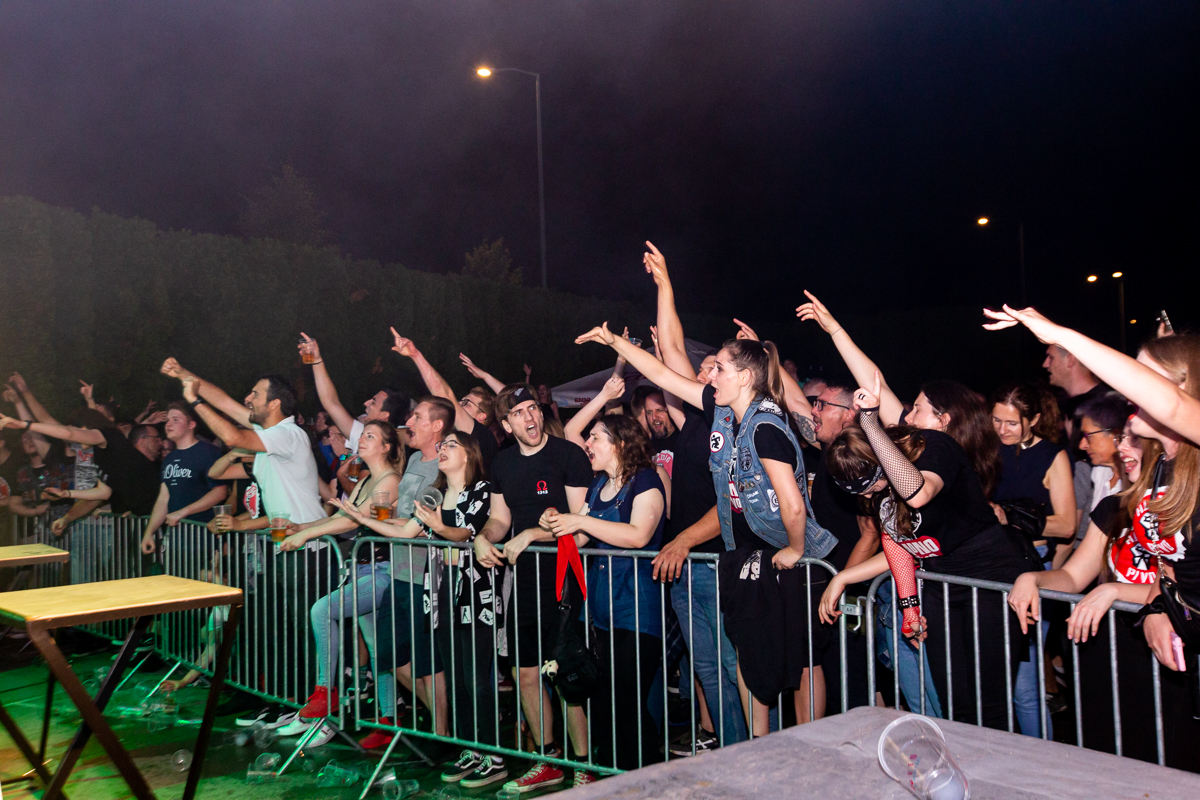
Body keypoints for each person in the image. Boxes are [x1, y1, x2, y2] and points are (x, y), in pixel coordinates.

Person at [575, 320, 836, 738]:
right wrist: (613, 341)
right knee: (750, 664)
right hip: (747, 557)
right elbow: (664, 375)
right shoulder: (725, 414)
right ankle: (756, 750)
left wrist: (794, 549)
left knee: (783, 665)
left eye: (720, 369)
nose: (711, 375)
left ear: (744, 378)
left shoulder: (765, 427)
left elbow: (792, 504)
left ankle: (787, 754)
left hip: (782, 561)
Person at [983, 307, 1200, 677]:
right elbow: (1170, 572)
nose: (1129, 388)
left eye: (1144, 377)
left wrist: (1062, 336)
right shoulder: (1158, 474)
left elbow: (1173, 405)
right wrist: (1156, 606)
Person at [818, 372, 1033, 731]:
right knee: (955, 703)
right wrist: (908, 607)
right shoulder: (880, 489)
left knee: (990, 706)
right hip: (942, 587)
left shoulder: (935, 446)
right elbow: (898, 545)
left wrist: (869, 423)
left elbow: (917, 494)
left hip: (988, 582)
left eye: (870, 486)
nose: (869, 496)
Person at [1007, 415, 1200, 770]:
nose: (1122, 448)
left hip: (1164, 648)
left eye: (1133, 441)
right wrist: (1032, 579)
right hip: (1108, 647)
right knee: (1107, 757)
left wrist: (1114, 590)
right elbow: (1072, 576)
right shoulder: (1113, 508)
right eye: (1121, 439)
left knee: (1168, 761)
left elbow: (1184, 586)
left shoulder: (1186, 507)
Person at [345, 430, 506, 785]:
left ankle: (495, 755)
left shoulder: (482, 490)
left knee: (476, 678)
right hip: (441, 592)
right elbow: (406, 532)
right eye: (442, 445)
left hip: (473, 592)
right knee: (457, 676)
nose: (443, 449)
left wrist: (439, 527)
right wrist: (362, 519)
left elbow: (466, 533)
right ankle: (471, 749)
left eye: (451, 445)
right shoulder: (434, 494)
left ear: (468, 454)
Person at [640, 242, 746, 752]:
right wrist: (664, 285)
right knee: (705, 665)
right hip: (686, 563)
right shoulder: (692, 421)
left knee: (733, 661)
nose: (701, 376)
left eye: (711, 371)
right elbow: (673, 350)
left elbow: (730, 504)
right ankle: (724, 745)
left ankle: (752, 750)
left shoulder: (737, 425)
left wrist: (682, 540)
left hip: (717, 561)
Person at [471, 384, 593, 792]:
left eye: (533, 409)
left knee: (566, 673)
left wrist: (532, 535)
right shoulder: (503, 463)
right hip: (521, 581)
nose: (530, 417)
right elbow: (500, 519)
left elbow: (580, 527)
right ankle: (547, 760)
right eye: (519, 413)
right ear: (506, 425)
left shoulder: (568, 455)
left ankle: (584, 765)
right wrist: (483, 537)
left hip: (564, 578)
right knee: (524, 673)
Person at [547, 414, 666, 774]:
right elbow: (581, 538)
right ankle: (613, 779)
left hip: (637, 609)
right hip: (600, 610)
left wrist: (580, 521)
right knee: (602, 703)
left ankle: (647, 782)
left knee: (627, 704)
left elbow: (638, 536)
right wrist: (554, 522)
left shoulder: (646, 480)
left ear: (620, 443)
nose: (587, 443)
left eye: (595, 437)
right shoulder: (598, 484)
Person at [796, 293, 1001, 501]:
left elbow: (918, 495)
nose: (908, 417)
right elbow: (876, 384)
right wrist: (834, 329)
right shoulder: (918, 442)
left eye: (918, 410)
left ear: (943, 421)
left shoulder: (950, 456)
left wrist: (871, 425)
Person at [278, 421, 402, 734]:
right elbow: (341, 517)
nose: (362, 440)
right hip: (361, 569)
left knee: (321, 610)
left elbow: (350, 523)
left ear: (386, 447)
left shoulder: (390, 480)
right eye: (363, 435)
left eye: (371, 436)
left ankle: (325, 691)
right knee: (376, 647)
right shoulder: (365, 480)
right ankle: (388, 720)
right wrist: (302, 527)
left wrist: (305, 536)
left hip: (383, 570)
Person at [988, 382, 1076, 738]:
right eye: (996, 420)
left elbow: (1067, 524)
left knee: (1024, 687)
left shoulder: (1052, 455)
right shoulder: (988, 449)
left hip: (1033, 564)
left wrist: (1012, 516)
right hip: (990, 563)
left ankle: (1042, 762)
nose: (1002, 429)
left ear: (1034, 419)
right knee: (991, 680)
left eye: (1011, 423)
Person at [1, 374, 162, 516]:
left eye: (80, 430)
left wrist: (23, 424)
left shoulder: (109, 439)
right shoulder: (94, 454)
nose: (77, 436)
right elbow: (103, 491)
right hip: (127, 517)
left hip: (144, 512)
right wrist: (66, 496)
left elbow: (74, 432)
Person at [388, 329, 500, 474]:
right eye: (461, 401)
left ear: (482, 416)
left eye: (466, 403)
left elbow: (444, 395)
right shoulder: (446, 440)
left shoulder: (483, 440)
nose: (459, 405)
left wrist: (416, 355)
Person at [139, 402, 229, 559]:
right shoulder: (169, 458)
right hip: (176, 537)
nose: (168, 424)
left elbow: (220, 492)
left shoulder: (209, 452)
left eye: (175, 420)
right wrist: (149, 532)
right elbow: (164, 498)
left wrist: (183, 512)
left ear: (191, 425)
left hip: (203, 536)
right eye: (168, 420)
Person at [1042, 343, 1108, 439]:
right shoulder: (1068, 406)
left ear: (1070, 360)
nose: (1045, 364)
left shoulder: (1105, 405)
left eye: (1051, 357)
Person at [632, 386, 678, 477]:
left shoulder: (683, 439)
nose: (654, 417)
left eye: (659, 410)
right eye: (649, 412)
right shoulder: (646, 447)